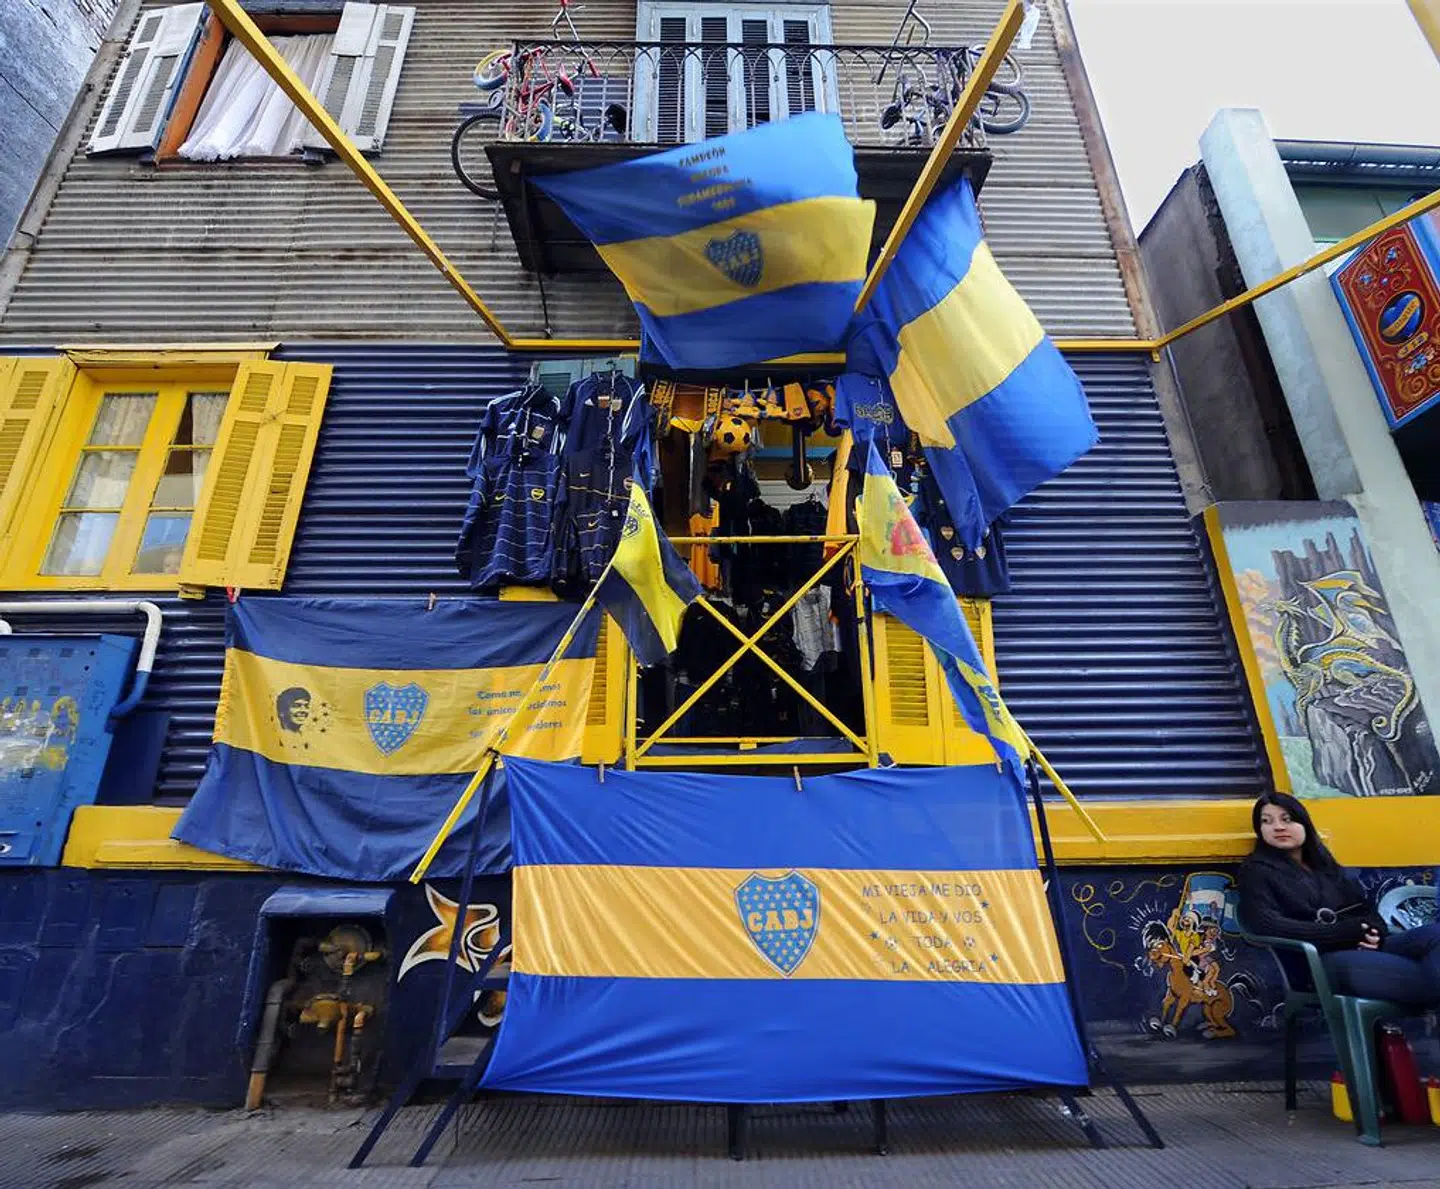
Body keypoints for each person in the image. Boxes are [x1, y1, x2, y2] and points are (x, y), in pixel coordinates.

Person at [1237, 791, 1440, 1007]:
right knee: (1429, 977)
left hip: (1360, 947)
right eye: (1266, 821)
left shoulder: (1323, 865)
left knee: (1435, 935)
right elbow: (1266, 925)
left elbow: (1365, 910)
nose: (1278, 827)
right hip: (1319, 961)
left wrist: (1375, 933)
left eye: (1287, 819)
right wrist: (1342, 933)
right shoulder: (1256, 870)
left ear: (1304, 822)